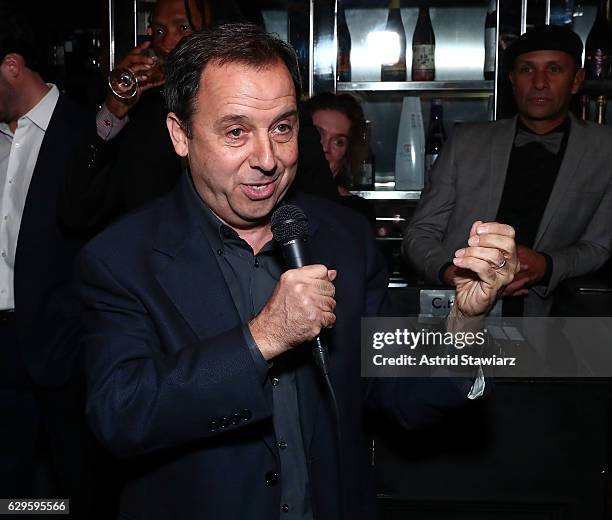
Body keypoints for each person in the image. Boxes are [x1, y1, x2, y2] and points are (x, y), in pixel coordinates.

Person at [75, 23, 517, 520]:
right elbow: (121, 415)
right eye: (236, 131)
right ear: (181, 134)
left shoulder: (343, 238)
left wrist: (464, 325)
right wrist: (264, 337)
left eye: (282, 128)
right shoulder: (122, 257)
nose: (268, 159)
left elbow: (396, 391)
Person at [60, 0, 337, 237]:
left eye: (183, 28)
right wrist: (114, 107)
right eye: (158, 30)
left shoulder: (274, 110)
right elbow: (77, 212)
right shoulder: (141, 113)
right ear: (178, 132)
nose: (167, 43)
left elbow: (326, 218)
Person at [403, 24, 612, 316]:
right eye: (527, 70)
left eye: (554, 69)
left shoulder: (604, 148)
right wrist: (457, 273)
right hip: (457, 312)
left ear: (577, 80)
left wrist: (547, 265)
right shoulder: (466, 141)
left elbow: (599, 245)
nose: (539, 82)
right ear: (512, 79)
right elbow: (420, 233)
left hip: (551, 319)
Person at [0, 4, 115, 516]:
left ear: (11, 65)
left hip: (66, 355)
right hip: (3, 354)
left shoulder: (90, 132)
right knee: (17, 497)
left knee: (80, 491)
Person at [305, 91, 375, 223]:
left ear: (347, 153)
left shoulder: (356, 212)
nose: (325, 148)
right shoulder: (275, 202)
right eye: (318, 134)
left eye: (339, 142)